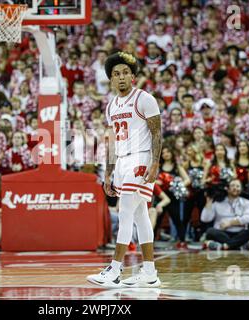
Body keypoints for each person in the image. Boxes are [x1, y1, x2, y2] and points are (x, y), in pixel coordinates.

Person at [87, 52, 162, 288]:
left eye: (125, 73)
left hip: (141, 158)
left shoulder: (145, 99)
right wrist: (109, 172)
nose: (121, 77)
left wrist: (155, 163)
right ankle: (149, 271)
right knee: (140, 215)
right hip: (121, 160)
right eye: (116, 74)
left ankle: (115, 269)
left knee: (126, 210)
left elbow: (157, 133)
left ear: (133, 76)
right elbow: (111, 141)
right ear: (110, 79)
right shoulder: (111, 106)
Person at [201, 179, 249, 251]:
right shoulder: (218, 202)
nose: (235, 188)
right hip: (222, 233)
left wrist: (230, 223)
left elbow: (248, 218)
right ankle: (237, 246)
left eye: (238, 186)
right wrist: (209, 201)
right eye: (233, 186)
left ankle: (224, 246)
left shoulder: (246, 202)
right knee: (210, 231)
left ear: (241, 189)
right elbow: (205, 219)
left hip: (239, 233)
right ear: (227, 188)